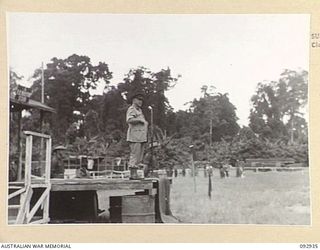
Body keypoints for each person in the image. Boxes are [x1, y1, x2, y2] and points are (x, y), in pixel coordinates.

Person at [126, 91, 148, 179]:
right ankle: (133, 174)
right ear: (134, 100)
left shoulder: (140, 111)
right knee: (135, 155)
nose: (140, 102)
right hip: (135, 136)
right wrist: (139, 120)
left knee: (139, 156)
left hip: (141, 137)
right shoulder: (132, 109)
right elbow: (129, 120)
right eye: (139, 100)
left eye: (141, 100)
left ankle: (136, 173)